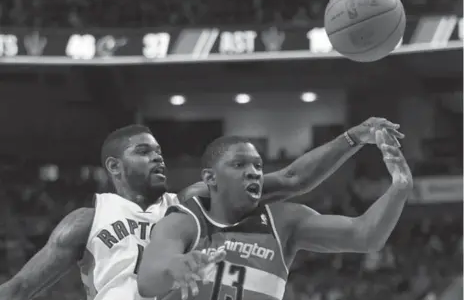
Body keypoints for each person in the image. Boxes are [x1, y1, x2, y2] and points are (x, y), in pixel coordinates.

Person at [0, 118, 402, 300]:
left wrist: (352, 137)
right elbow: (18, 289)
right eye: (144, 152)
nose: (158, 158)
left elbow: (294, 179)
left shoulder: (190, 205)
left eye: (159, 151)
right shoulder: (87, 221)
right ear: (114, 167)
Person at [137, 129, 413, 300]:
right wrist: (174, 267)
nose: (253, 171)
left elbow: (364, 236)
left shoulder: (284, 221)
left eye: (258, 165)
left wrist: (400, 187)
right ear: (211, 177)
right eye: (239, 164)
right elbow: (148, 282)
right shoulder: (184, 221)